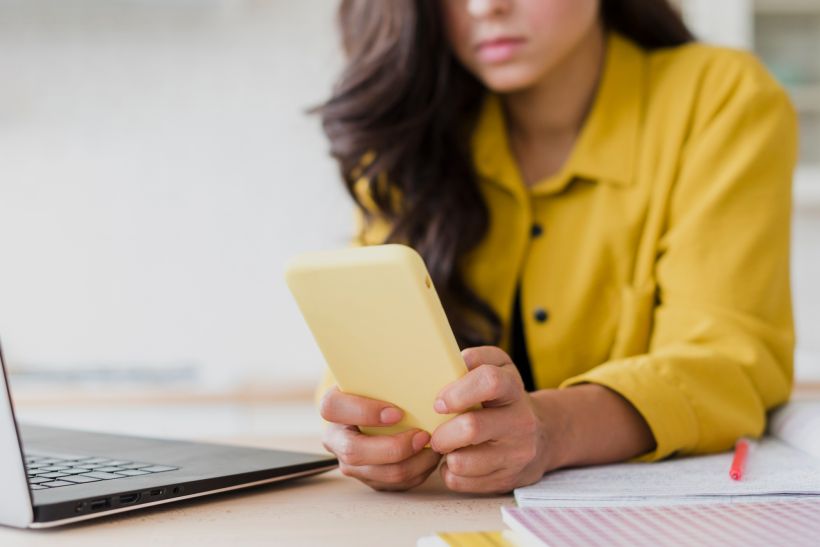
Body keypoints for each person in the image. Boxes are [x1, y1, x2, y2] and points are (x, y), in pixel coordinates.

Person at [313, 0, 797, 494]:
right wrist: (361, 421)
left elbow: (728, 360)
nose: (485, 8)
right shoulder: (405, 129)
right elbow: (365, 342)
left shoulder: (720, 96)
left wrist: (552, 428)